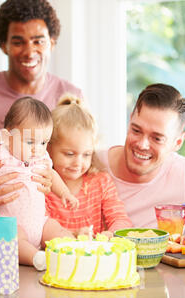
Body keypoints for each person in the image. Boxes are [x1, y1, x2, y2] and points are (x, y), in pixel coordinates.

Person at [0, 97, 77, 271]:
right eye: (30, 142)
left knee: (57, 230)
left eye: (43, 142)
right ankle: (36, 257)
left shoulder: (41, 157)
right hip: (11, 223)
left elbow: (51, 174)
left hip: (40, 222)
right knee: (13, 241)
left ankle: (71, 250)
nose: (37, 149)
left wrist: (65, 193)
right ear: (7, 138)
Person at [97, 83, 185, 228]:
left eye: (157, 138)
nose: (142, 145)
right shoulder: (87, 162)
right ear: (129, 121)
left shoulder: (184, 175)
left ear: (177, 142)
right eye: (136, 130)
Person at [0, 0, 83, 128]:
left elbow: (88, 147)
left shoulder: (71, 98)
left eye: (38, 42)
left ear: (52, 44)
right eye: (18, 43)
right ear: (4, 46)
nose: (29, 53)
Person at [45, 95, 133, 238]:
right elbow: (40, 231)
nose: (78, 163)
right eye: (69, 154)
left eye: (86, 154)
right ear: (49, 149)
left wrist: (111, 234)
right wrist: (74, 235)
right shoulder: (43, 186)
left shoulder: (101, 182)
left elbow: (120, 219)